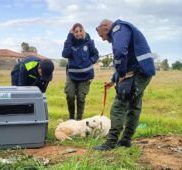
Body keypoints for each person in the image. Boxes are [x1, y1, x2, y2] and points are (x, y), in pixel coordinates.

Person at [93, 19, 155, 151]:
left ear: (106, 27)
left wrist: (120, 74)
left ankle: (110, 142)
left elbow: (120, 52)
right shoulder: (125, 29)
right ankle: (126, 140)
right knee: (134, 106)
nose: (104, 39)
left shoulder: (118, 28)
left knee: (118, 106)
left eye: (102, 36)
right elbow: (127, 62)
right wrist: (113, 79)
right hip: (143, 72)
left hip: (137, 73)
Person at [62, 23, 99, 120]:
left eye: (80, 31)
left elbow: (96, 55)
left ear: (83, 31)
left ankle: (79, 120)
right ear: (72, 33)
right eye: (75, 32)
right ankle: (71, 118)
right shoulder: (69, 42)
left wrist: (90, 61)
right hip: (72, 75)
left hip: (85, 75)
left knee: (81, 98)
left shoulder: (88, 42)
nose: (78, 33)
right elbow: (65, 54)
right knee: (70, 96)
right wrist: (69, 37)